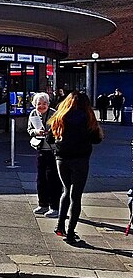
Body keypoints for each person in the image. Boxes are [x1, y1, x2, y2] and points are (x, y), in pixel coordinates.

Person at [51, 91, 103, 244]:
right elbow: (96, 139)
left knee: (66, 190)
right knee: (76, 195)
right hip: (80, 159)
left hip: (62, 158)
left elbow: (50, 137)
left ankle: (60, 226)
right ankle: (71, 232)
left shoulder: (60, 116)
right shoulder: (88, 118)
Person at [27, 93, 60, 218]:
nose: (41, 106)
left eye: (44, 103)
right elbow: (29, 130)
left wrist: (50, 132)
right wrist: (36, 131)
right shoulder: (33, 114)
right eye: (39, 104)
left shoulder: (54, 114)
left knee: (52, 179)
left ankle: (55, 206)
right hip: (41, 149)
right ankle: (43, 204)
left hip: (53, 150)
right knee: (41, 179)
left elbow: (59, 130)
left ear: (48, 103)